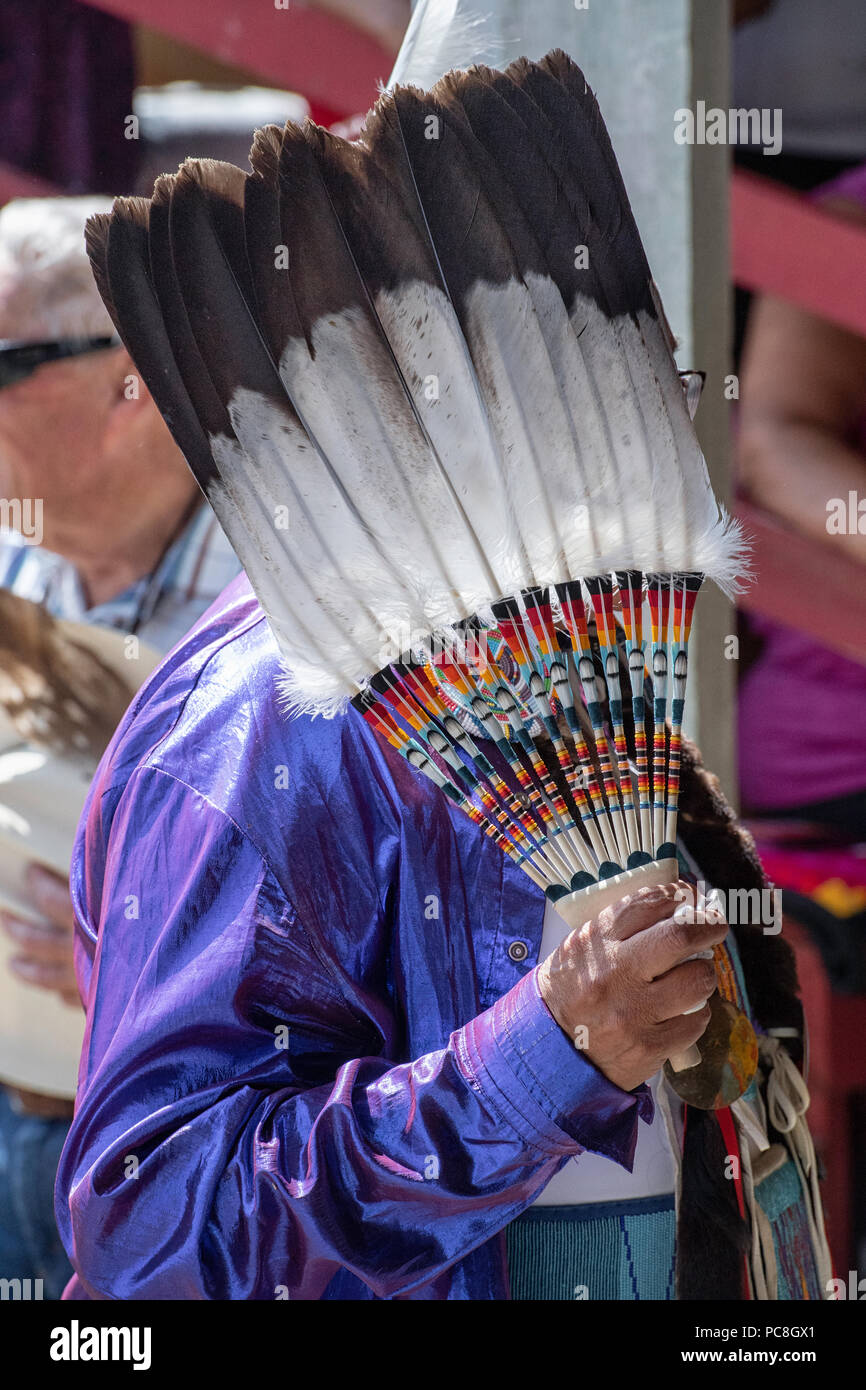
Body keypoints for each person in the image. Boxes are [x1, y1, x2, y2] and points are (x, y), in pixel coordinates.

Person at [0, 196, 240, 1299]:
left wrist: (135, 974)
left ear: (132, 381)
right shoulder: (15, 558)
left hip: (197, 1163)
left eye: (5, 363)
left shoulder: (293, 605)